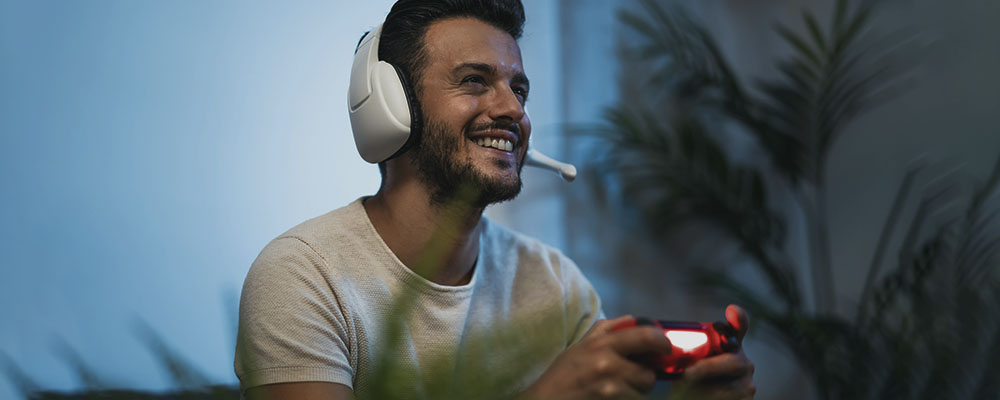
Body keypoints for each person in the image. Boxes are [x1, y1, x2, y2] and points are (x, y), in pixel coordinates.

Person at [234, 1, 756, 399]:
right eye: (474, 81)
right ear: (391, 109)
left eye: (519, 89)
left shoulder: (556, 285)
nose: (512, 110)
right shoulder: (303, 276)